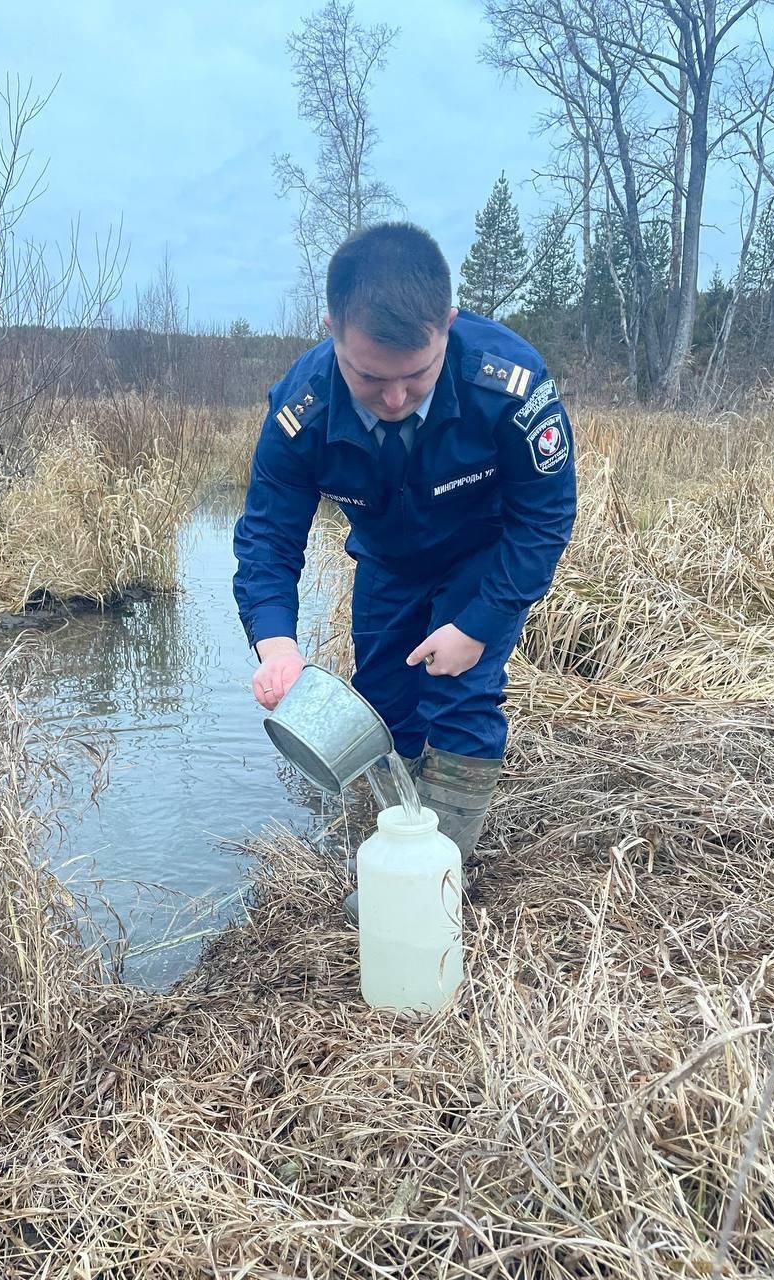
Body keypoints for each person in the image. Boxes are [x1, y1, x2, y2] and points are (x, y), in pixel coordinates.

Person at [232, 222, 576, 914]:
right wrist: (277, 645)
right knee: (381, 707)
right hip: (388, 560)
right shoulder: (299, 411)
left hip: (483, 557)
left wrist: (478, 624)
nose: (393, 398)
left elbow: (544, 518)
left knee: (459, 694)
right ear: (331, 329)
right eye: (369, 377)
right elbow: (268, 537)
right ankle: (384, 864)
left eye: (415, 375)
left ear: (446, 324)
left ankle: (437, 881)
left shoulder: (508, 385)